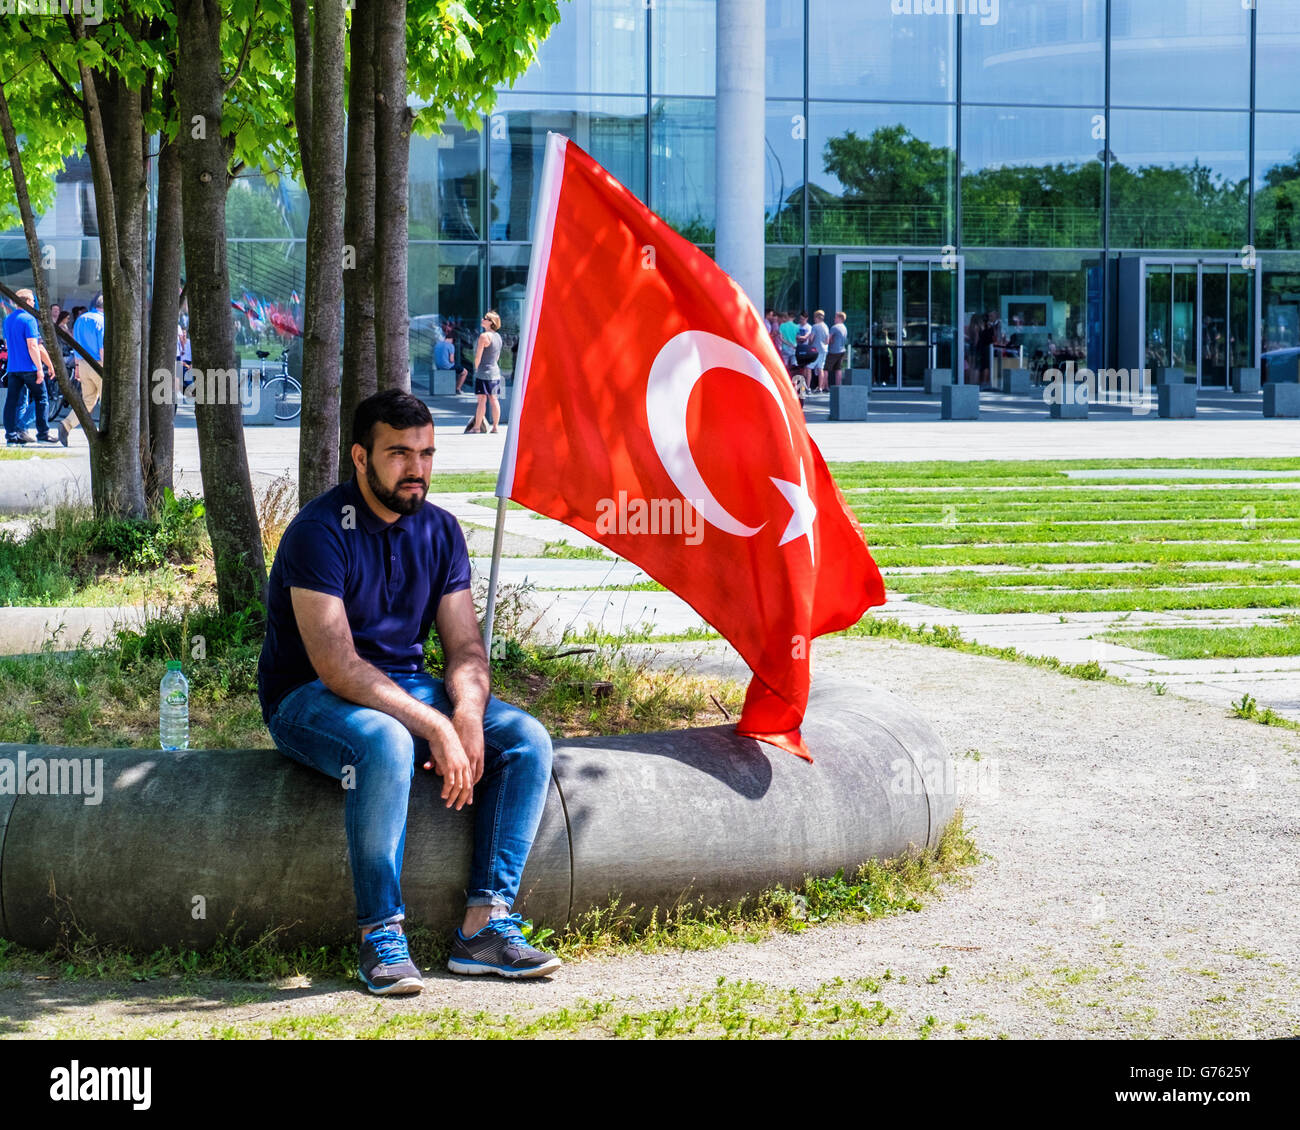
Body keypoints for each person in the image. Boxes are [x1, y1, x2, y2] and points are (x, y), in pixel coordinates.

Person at [258, 388, 560, 995]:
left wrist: (468, 713)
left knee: (526, 739)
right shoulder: (320, 531)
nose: (416, 468)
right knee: (387, 743)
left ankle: (486, 925)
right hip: (309, 696)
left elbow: (467, 651)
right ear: (360, 458)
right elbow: (339, 666)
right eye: (398, 453)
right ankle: (380, 933)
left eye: (425, 452)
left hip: (407, 686)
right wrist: (436, 726)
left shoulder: (441, 531)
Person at [3, 288, 57, 446]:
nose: (34, 303)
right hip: (30, 367)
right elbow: (34, 346)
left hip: (13, 368)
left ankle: (12, 436)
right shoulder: (29, 319)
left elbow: (8, 343)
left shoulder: (8, 319)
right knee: (42, 399)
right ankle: (43, 433)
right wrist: (43, 367)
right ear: (26, 301)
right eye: (33, 300)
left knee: (13, 402)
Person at [62, 294, 105, 446]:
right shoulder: (102, 321)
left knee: (88, 400)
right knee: (108, 401)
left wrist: (78, 367)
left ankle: (67, 424)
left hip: (83, 364)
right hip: (99, 364)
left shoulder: (80, 319)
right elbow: (102, 349)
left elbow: (76, 345)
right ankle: (107, 436)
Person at [465, 310, 504, 434]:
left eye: (486, 318)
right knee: (494, 399)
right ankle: (495, 427)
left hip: (483, 372)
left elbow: (478, 356)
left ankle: (476, 428)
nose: (483, 319)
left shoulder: (484, 336)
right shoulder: (498, 337)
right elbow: (497, 357)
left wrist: (477, 368)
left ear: (491, 322)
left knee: (481, 400)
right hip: (495, 371)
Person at [809, 309, 831, 393]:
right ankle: (820, 387)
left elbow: (811, 338)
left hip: (815, 350)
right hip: (824, 350)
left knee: (808, 368)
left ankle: (807, 387)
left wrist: (809, 343)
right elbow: (827, 341)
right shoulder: (826, 326)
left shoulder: (815, 326)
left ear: (817, 317)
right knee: (820, 368)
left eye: (814, 317)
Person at [826, 311, 848, 387]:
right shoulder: (844, 328)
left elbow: (828, 340)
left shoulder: (834, 327)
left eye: (835, 317)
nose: (834, 319)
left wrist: (828, 341)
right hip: (842, 350)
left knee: (825, 369)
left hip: (834, 351)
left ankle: (824, 386)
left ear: (840, 318)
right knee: (838, 369)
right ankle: (838, 386)